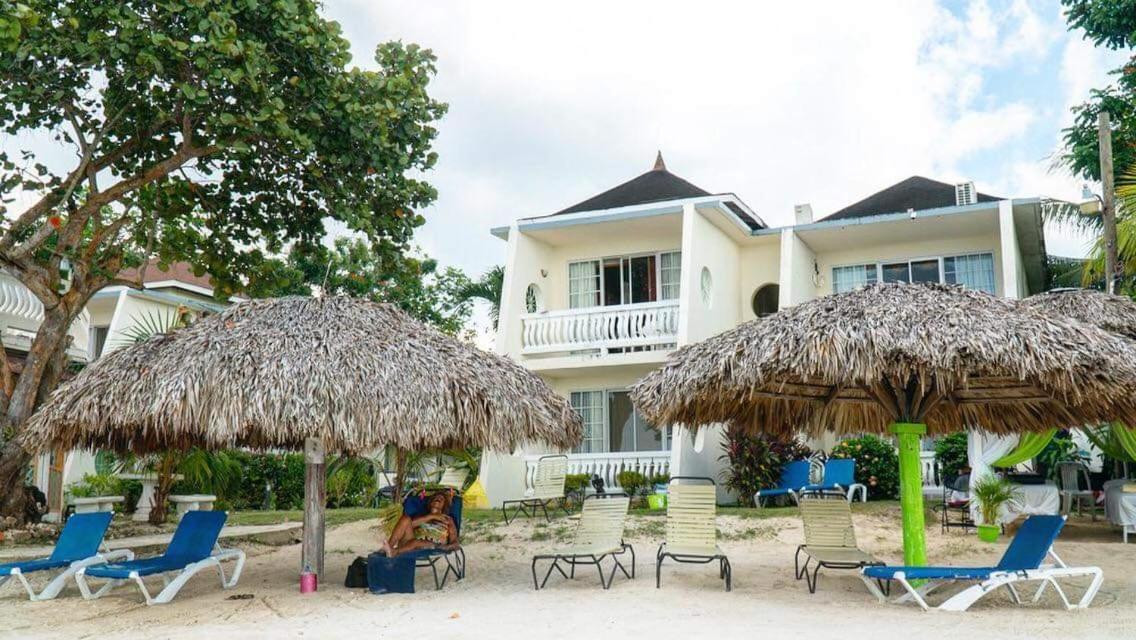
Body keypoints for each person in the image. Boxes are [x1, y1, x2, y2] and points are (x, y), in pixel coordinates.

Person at [380, 491, 458, 557]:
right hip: (410, 544)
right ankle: (388, 547)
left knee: (416, 542)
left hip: (435, 546)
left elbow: (455, 541)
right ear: (430, 503)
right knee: (405, 519)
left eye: (441, 499)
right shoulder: (423, 517)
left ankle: (394, 552)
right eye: (435, 499)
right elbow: (409, 525)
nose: (437, 500)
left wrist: (447, 547)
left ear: (444, 505)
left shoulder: (448, 520)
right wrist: (431, 516)